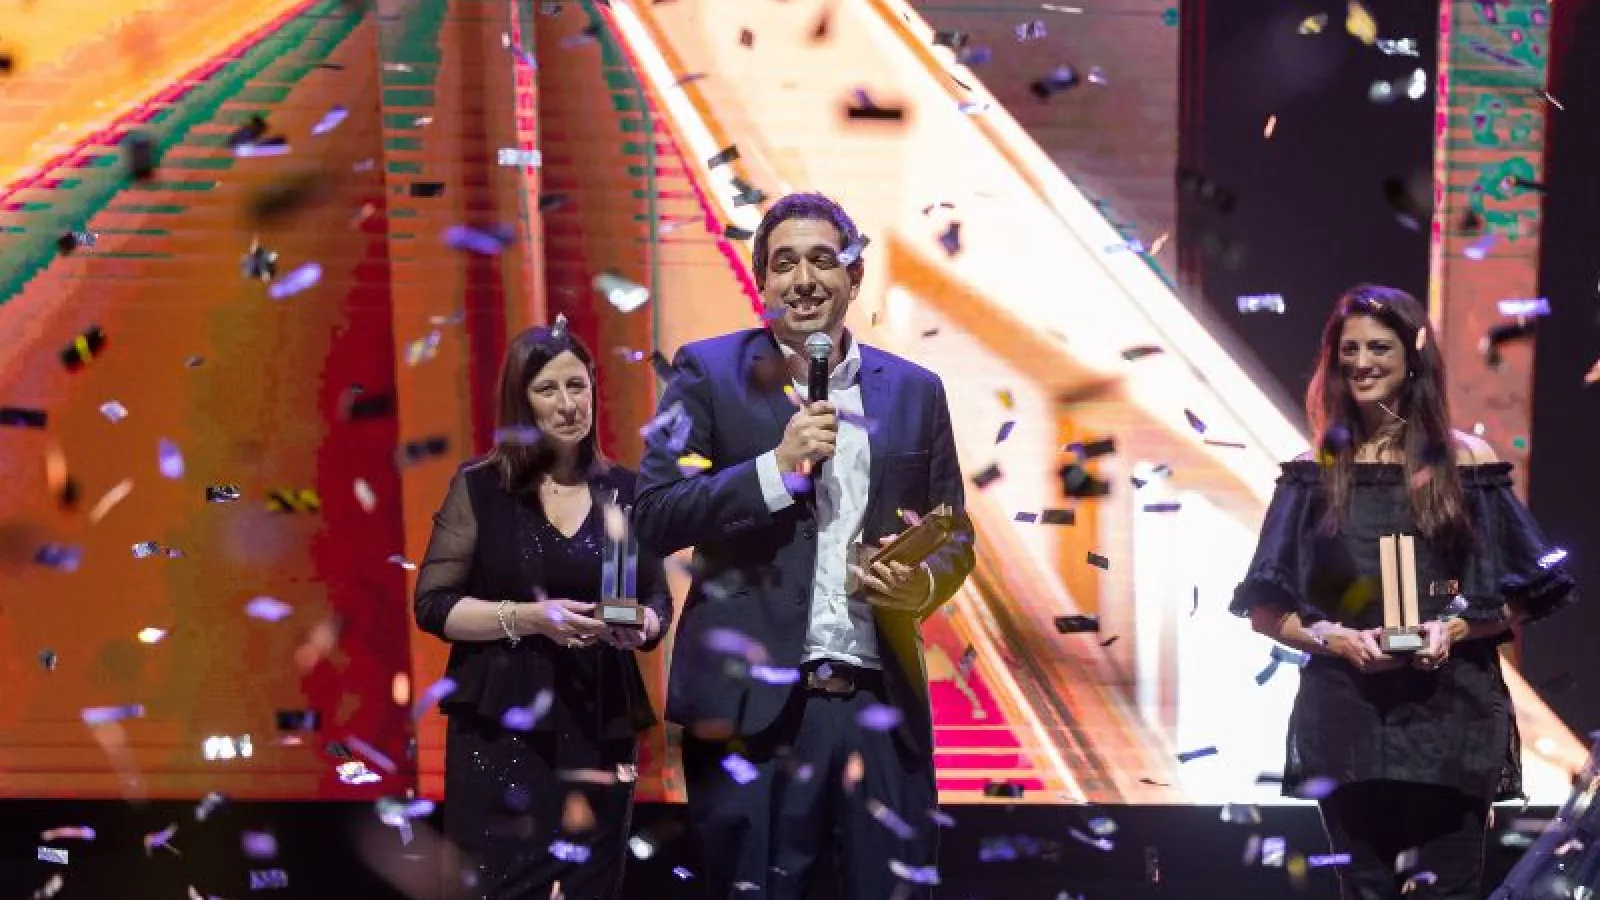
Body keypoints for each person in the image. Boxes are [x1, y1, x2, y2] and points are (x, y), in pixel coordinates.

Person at [632, 192, 976, 900]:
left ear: (854, 275)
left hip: (878, 707)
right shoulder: (706, 374)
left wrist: (918, 585)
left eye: (823, 260)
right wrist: (773, 469)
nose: (804, 279)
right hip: (750, 713)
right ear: (762, 282)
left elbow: (953, 533)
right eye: (784, 263)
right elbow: (656, 515)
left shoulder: (914, 391)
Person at [1232, 285, 1578, 900]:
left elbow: (1531, 590)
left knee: (1450, 888)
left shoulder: (1467, 463)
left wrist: (1456, 628)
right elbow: (1266, 610)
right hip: (1349, 722)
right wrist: (1338, 639)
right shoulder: (1313, 473)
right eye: (1350, 349)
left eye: (1379, 348)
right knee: (1364, 889)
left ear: (1413, 357)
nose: (1361, 363)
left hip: (1452, 719)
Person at [414, 320, 675, 900]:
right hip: (501, 727)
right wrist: (530, 618)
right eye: (548, 389)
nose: (567, 404)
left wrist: (643, 626)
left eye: (577, 386)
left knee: (590, 886)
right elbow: (433, 605)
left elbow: (656, 599)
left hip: (599, 721)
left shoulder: (625, 491)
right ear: (521, 400)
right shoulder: (481, 489)